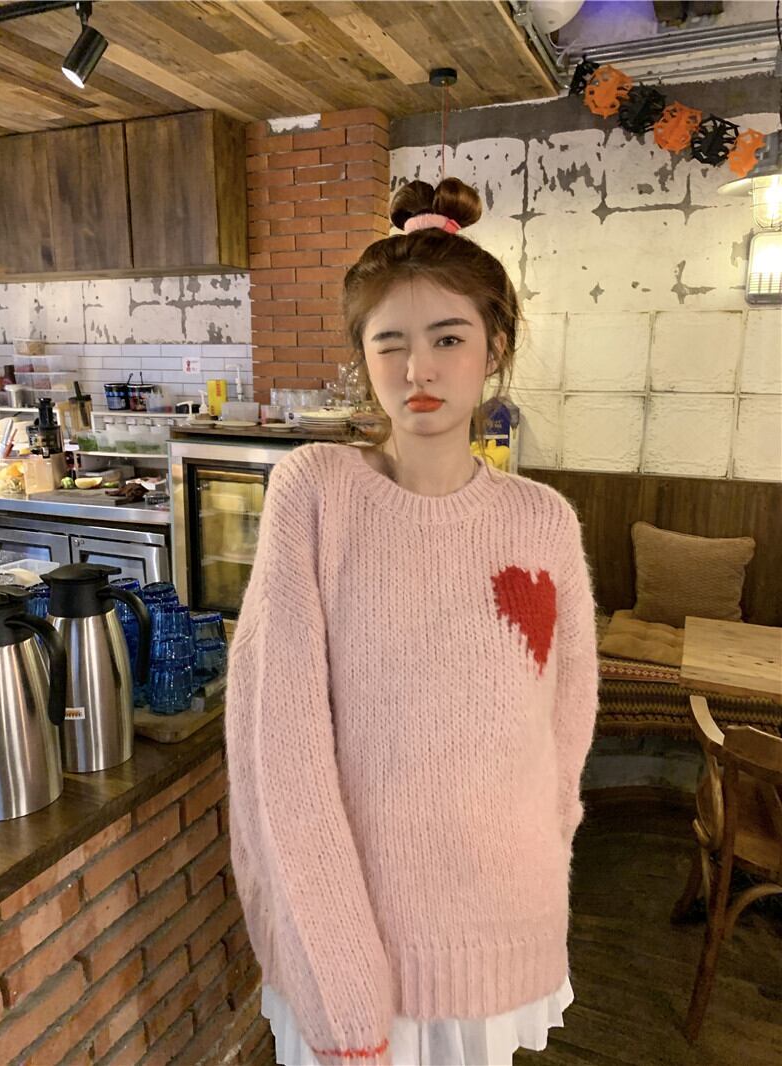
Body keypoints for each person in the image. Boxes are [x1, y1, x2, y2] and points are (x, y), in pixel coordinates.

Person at [225, 177, 600, 1066]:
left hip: (506, 924)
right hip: (360, 945)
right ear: (363, 355)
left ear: (494, 347)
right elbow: (280, 752)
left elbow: (565, 727)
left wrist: (540, 867)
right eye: (388, 343)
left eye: (447, 338)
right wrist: (345, 981)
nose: (417, 370)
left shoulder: (543, 520)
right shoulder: (316, 494)